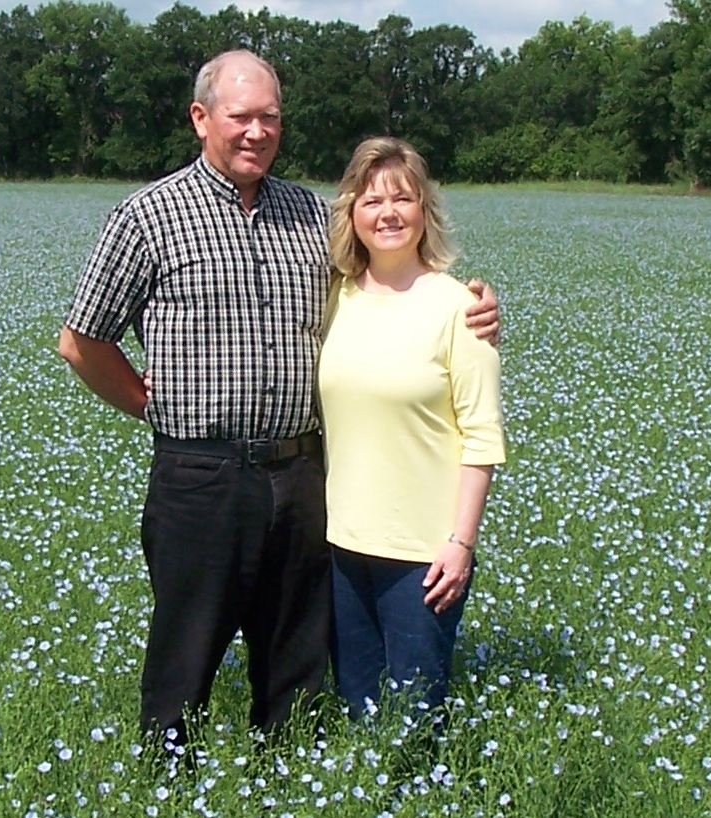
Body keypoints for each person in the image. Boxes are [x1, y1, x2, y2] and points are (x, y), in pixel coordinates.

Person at [58, 50, 500, 744]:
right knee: (185, 648)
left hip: (301, 474)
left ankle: (285, 771)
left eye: (270, 118)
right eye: (241, 117)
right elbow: (80, 342)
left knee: (295, 649)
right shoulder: (148, 216)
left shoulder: (308, 215)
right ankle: (170, 781)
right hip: (199, 475)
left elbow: (387, 281)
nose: (256, 132)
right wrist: (155, 406)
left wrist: (473, 299)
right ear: (201, 118)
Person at [318, 136, 506, 721]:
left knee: (413, 722)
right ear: (352, 213)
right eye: (372, 201)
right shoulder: (333, 297)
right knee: (358, 710)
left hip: (423, 555)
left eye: (402, 198)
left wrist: (461, 544)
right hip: (341, 546)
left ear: (425, 210)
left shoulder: (460, 308)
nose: (388, 213)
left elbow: (481, 437)